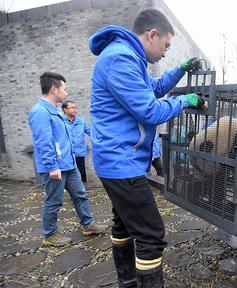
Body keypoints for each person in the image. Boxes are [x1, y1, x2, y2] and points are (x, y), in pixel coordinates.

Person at [88, 8, 204, 287]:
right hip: (121, 162)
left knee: (123, 223)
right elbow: (150, 111)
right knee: (151, 233)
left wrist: (180, 70)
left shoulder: (129, 59)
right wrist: (186, 101)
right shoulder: (120, 59)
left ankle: (126, 282)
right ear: (152, 35)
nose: (166, 51)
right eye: (166, 45)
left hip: (119, 160)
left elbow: (153, 88)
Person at [28, 72, 107, 247]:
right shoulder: (40, 112)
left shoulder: (56, 111)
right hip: (55, 167)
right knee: (54, 201)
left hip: (69, 164)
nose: (66, 92)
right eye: (64, 88)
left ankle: (88, 225)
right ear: (54, 88)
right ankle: (50, 234)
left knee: (81, 195)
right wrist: (51, 166)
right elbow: (43, 142)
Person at [62, 100, 90, 183]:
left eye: (75, 108)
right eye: (72, 108)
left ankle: (81, 192)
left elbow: (91, 132)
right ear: (65, 110)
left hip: (79, 153)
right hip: (66, 154)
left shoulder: (81, 122)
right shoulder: (60, 121)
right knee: (69, 176)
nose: (75, 110)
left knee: (80, 175)